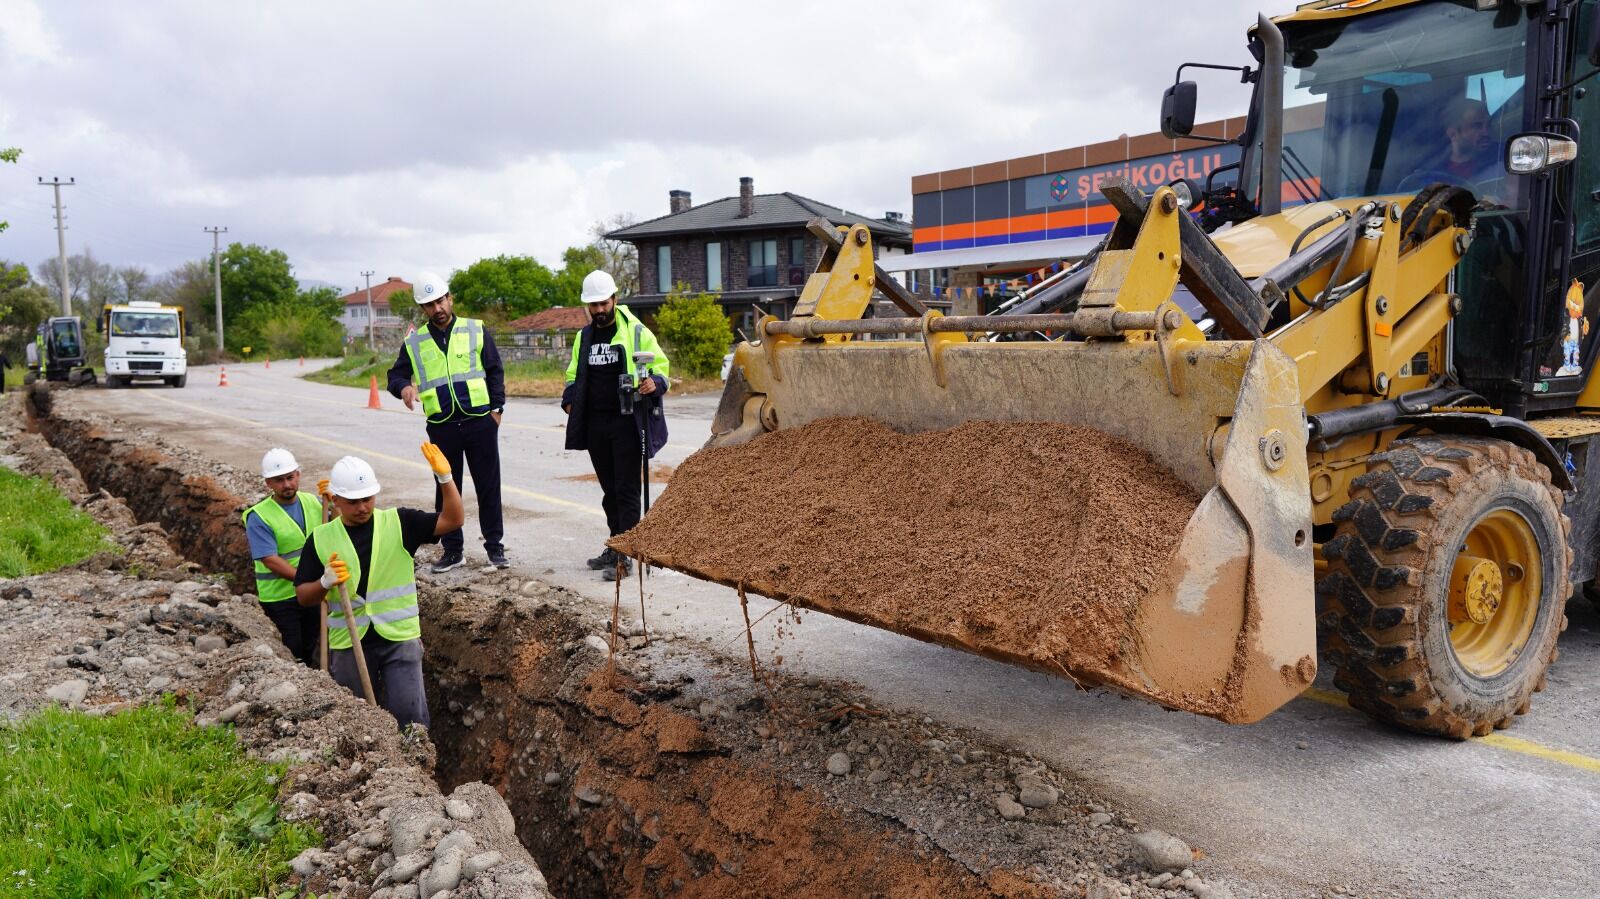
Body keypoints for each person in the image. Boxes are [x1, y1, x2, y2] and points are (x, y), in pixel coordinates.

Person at [293, 449, 463, 731]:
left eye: (368, 499)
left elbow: (453, 520)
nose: (362, 507)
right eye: (353, 501)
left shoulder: (400, 522)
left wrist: (445, 478)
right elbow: (303, 596)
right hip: (349, 642)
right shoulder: (321, 538)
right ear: (336, 500)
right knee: (356, 722)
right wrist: (324, 582)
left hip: (399, 639)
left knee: (411, 718)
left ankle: (413, 769)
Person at [385, 271, 507, 573]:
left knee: (488, 487)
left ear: (450, 299)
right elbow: (395, 375)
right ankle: (453, 551)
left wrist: (497, 410)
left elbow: (494, 370)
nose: (437, 308)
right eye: (429, 305)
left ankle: (495, 549)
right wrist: (404, 387)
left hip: (480, 421)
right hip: (442, 426)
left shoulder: (475, 329)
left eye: (440, 301)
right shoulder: (415, 342)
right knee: (446, 489)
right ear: (423, 309)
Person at [561, 270, 670, 581]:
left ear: (614, 300)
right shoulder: (584, 336)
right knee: (609, 491)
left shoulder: (636, 331)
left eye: (603, 303)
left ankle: (625, 554)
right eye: (592, 305)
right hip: (595, 423)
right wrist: (569, 400)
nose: (598, 310)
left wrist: (654, 383)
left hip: (627, 422)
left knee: (626, 490)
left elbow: (661, 369)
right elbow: (573, 375)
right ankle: (615, 544)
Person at [242, 448, 325, 667]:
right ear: (268, 483)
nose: (286, 484)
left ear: (298, 475)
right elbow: (270, 560)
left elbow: (334, 526)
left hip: (312, 592)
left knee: (313, 644)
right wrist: (307, 581)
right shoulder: (259, 516)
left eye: (290, 477)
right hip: (280, 598)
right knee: (293, 648)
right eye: (279, 480)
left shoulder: (313, 502)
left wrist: (333, 502)